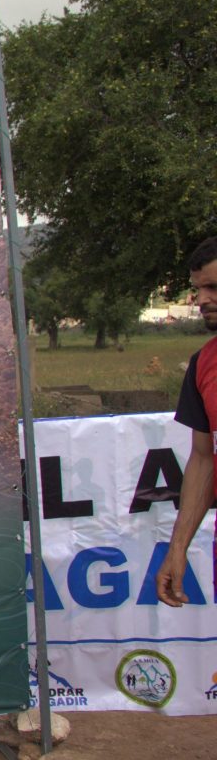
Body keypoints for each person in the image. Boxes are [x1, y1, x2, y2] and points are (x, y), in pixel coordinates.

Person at [156, 236, 217, 606]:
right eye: (199, 289)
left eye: (214, 287)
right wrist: (178, 547)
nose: (203, 299)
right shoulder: (203, 364)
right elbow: (204, 457)